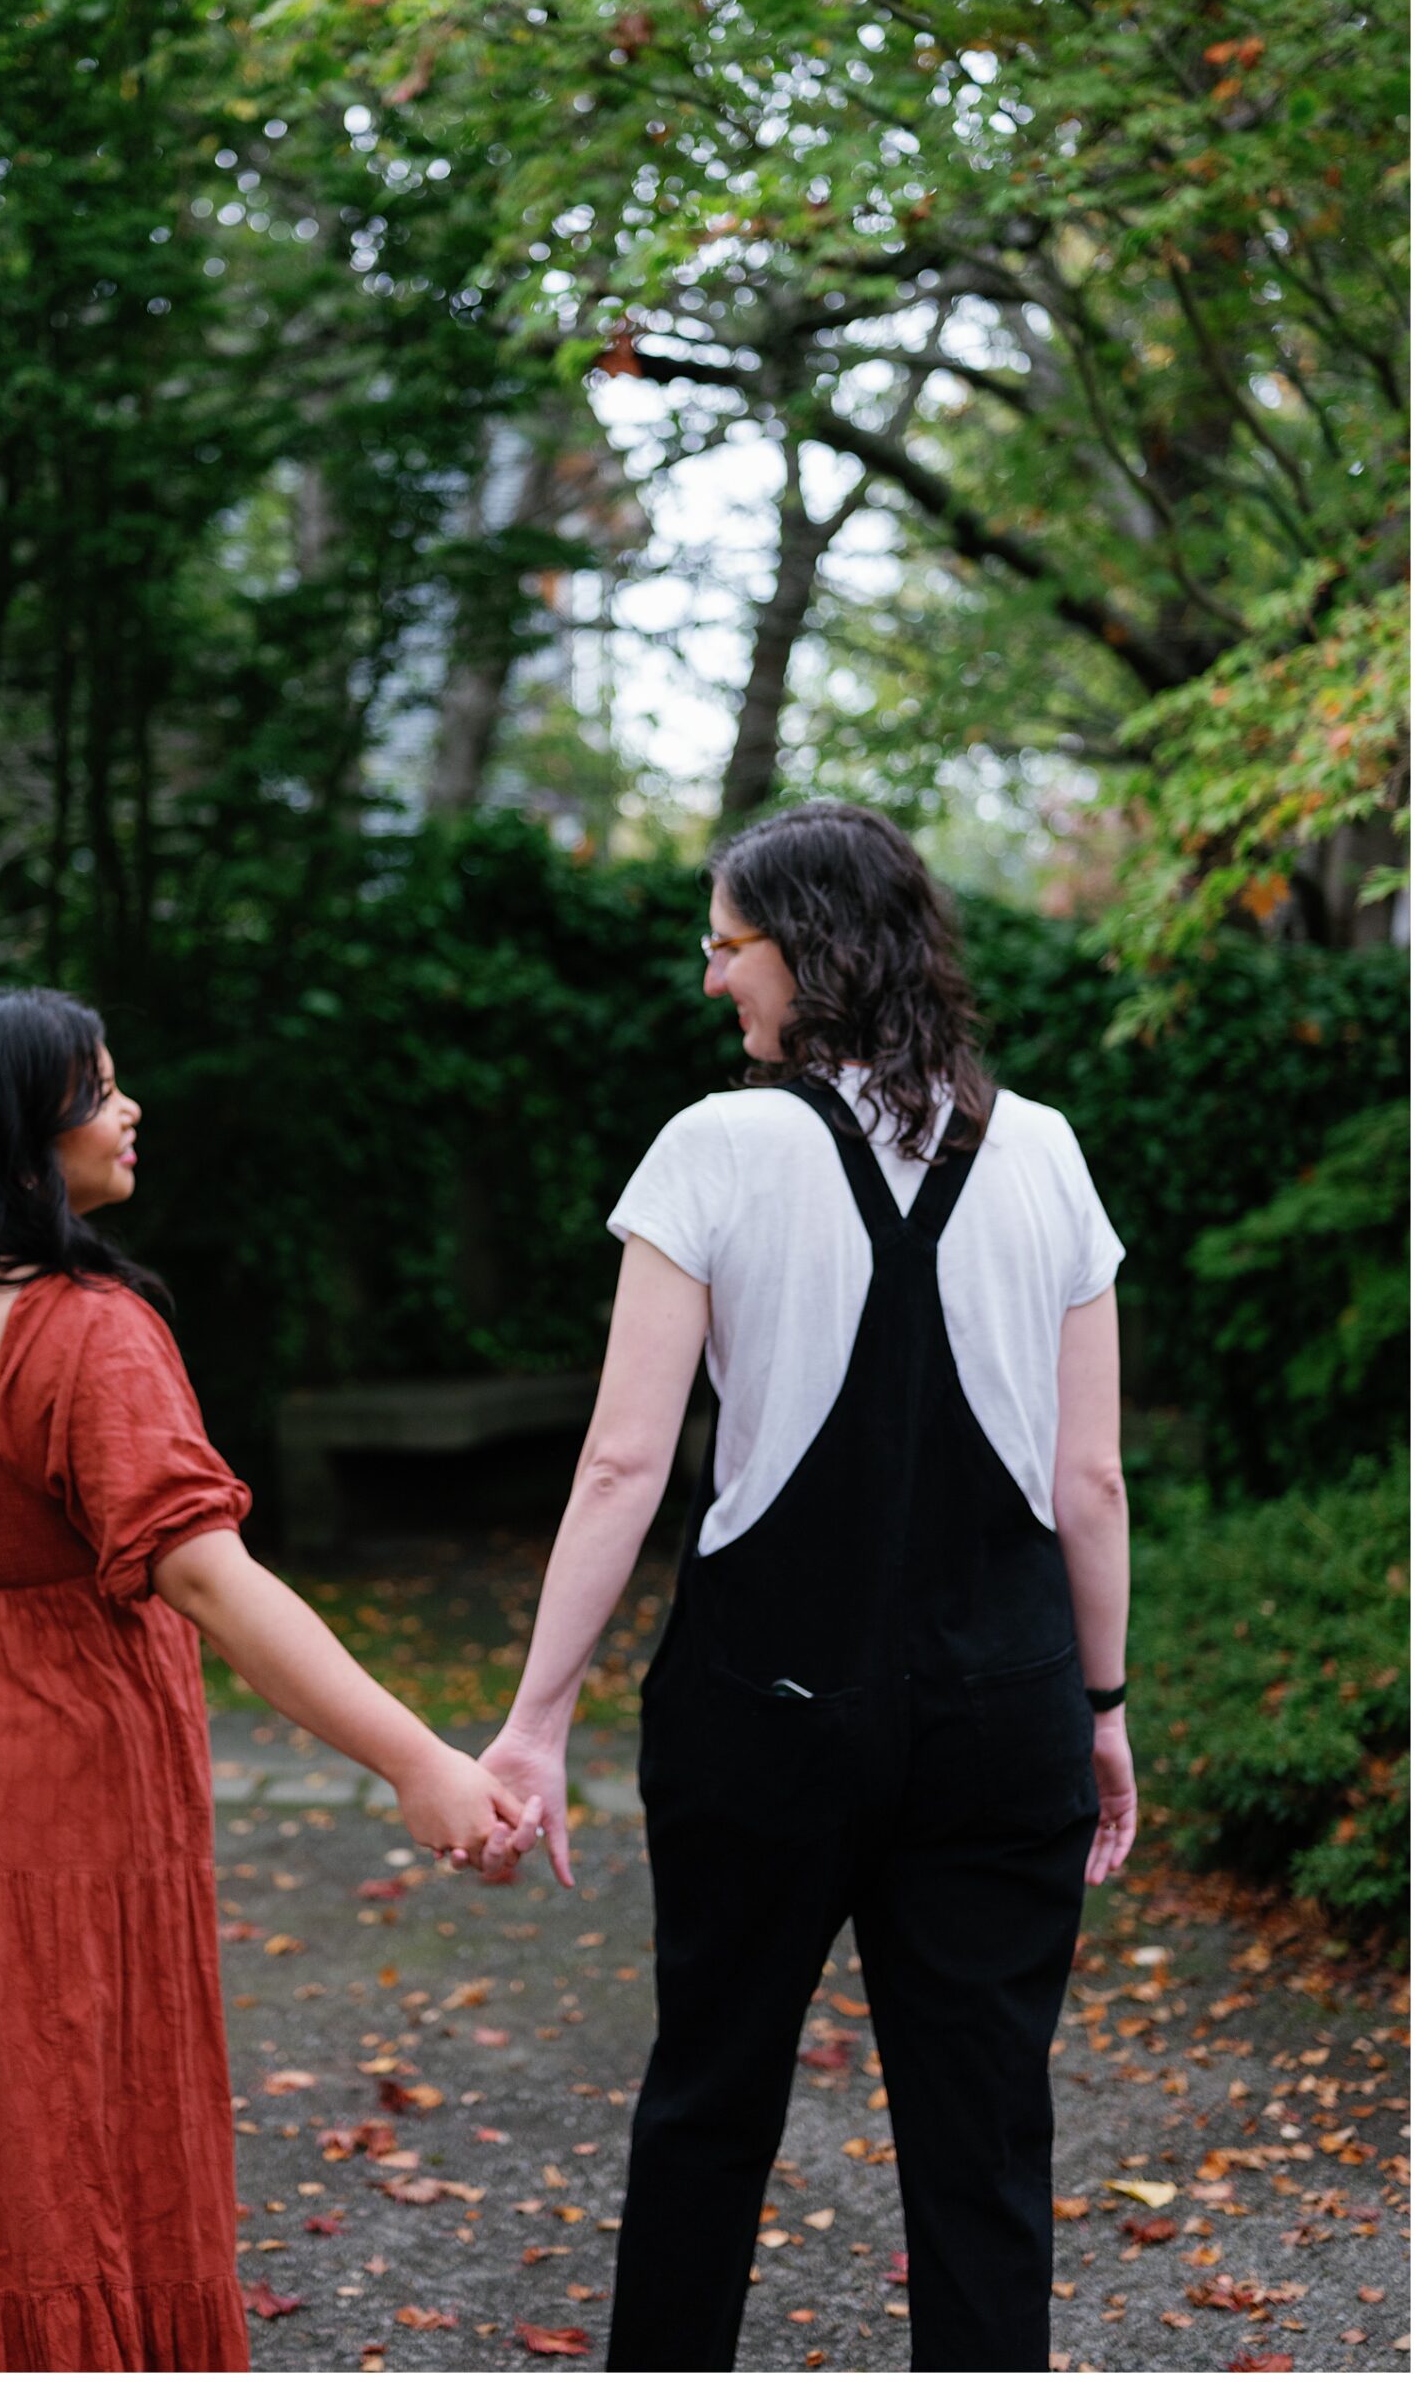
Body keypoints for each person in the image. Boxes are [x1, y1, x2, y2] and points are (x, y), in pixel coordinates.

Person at [0, 987, 539, 2373]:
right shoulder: (82, 1334)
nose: (129, 1109)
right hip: (48, 1793)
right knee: (54, 2127)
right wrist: (420, 1758)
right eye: (97, 1091)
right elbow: (209, 1578)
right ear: (19, 1137)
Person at [479, 803, 1135, 2373]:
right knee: (982, 2143)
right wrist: (1099, 1707)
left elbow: (622, 1469)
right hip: (1003, 1712)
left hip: (759, 1712)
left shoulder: (712, 1146)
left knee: (709, 2102)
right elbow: (1088, 1485)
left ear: (809, 948)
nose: (712, 984)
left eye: (727, 947)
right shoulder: (1043, 1148)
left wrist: (533, 1722)